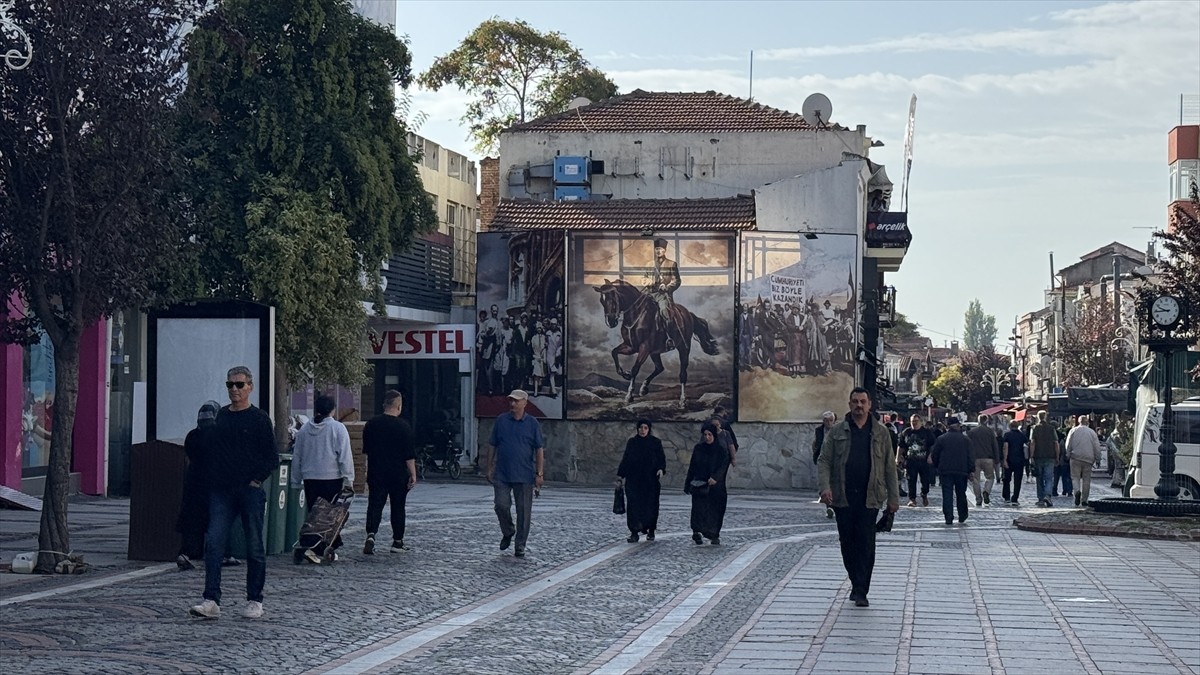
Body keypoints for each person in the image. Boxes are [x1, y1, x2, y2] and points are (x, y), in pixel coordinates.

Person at [190, 366, 277, 620]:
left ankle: (254, 599)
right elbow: (208, 450)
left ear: (250, 386)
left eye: (239, 385)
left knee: (254, 545)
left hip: (249, 489)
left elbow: (271, 457)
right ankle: (211, 598)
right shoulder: (221, 417)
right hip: (221, 490)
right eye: (230, 385)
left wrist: (256, 479)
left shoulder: (259, 419)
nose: (234, 390)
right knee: (214, 542)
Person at [817, 387, 900, 608]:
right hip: (843, 495)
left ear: (870, 404)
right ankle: (855, 580)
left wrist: (894, 498)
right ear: (849, 404)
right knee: (847, 542)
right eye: (855, 402)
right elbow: (824, 460)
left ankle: (861, 589)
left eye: (863, 401)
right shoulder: (837, 431)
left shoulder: (881, 433)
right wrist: (825, 487)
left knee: (866, 543)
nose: (859, 406)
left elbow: (889, 467)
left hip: (870, 496)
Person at [487, 389, 545, 558]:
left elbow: (539, 449)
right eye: (511, 400)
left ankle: (520, 544)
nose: (513, 404)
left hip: (524, 474)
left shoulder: (532, 423)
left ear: (525, 403)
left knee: (524, 511)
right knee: (501, 505)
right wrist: (489, 467)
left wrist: (539, 473)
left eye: (517, 401)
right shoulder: (501, 420)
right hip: (502, 473)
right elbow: (492, 445)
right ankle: (508, 530)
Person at [361, 389, 418, 554]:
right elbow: (409, 455)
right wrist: (413, 474)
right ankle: (397, 541)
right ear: (398, 406)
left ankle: (371, 533)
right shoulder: (404, 427)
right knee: (398, 506)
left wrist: (365, 471)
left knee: (375, 504)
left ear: (383, 405)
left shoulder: (371, 424)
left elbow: (366, 451)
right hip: (398, 474)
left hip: (376, 471)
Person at [176, 400, 221, 571]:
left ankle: (186, 554)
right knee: (213, 520)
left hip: (193, 482)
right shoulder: (217, 435)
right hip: (211, 482)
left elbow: (190, 455)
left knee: (191, 521)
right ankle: (217, 553)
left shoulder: (192, 435)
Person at [616, 419, 667, 542]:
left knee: (650, 506)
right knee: (633, 505)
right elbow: (626, 459)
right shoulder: (632, 442)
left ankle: (651, 529)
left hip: (650, 481)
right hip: (634, 480)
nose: (642, 430)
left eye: (645, 428)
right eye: (640, 427)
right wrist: (620, 476)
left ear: (649, 429)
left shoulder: (655, 443)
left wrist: (661, 469)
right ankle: (634, 531)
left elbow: (661, 459)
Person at [686, 423, 731, 546]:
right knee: (698, 510)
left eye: (709, 434)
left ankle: (713, 534)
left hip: (716, 487)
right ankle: (697, 531)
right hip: (700, 485)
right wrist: (688, 483)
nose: (707, 437)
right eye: (705, 435)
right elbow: (693, 466)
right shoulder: (699, 449)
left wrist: (715, 477)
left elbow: (723, 466)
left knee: (715, 510)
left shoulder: (721, 450)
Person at [931, 417, 973, 525]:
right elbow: (970, 456)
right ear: (958, 426)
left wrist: (937, 466)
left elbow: (935, 455)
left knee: (947, 494)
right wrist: (971, 470)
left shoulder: (941, 439)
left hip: (946, 470)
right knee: (961, 493)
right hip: (961, 470)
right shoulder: (966, 440)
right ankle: (962, 515)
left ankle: (948, 516)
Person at [648, 237, 683, 348]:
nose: (658, 251)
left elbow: (676, 281)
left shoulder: (671, 264)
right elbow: (644, 277)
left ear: (664, 250)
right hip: (650, 294)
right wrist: (646, 281)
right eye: (656, 249)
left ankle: (669, 338)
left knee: (664, 310)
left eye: (660, 249)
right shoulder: (650, 264)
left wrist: (667, 286)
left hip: (664, 295)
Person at [898, 414, 936, 507]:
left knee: (925, 480)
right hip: (911, 461)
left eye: (916, 421)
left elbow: (933, 445)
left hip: (924, 461)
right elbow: (901, 446)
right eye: (912, 421)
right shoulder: (906, 432)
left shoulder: (927, 432)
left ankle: (924, 494)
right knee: (911, 480)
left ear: (920, 422)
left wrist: (930, 456)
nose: (914, 423)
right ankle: (912, 499)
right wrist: (898, 457)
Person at [1065, 414, 1103, 506]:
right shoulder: (1092, 432)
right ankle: (1084, 499)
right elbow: (1096, 446)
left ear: (1078, 421)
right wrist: (1098, 458)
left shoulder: (1073, 431)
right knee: (1086, 479)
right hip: (1088, 458)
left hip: (1075, 457)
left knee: (1075, 477)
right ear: (1087, 422)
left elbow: (1068, 444)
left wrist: (1068, 454)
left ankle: (1077, 491)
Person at [967, 414, 1002, 506]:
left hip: (975, 458)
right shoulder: (990, 432)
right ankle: (986, 491)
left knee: (975, 480)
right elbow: (995, 446)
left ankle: (978, 498)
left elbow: (968, 446)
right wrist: (997, 459)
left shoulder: (972, 432)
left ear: (979, 420)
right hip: (988, 458)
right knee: (990, 478)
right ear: (986, 421)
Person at [1029, 411, 1060, 507]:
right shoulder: (1051, 429)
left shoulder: (1034, 428)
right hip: (1050, 456)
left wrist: (1031, 456)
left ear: (1038, 417)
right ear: (1046, 417)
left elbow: (1033, 443)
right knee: (1049, 478)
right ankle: (1048, 495)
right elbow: (1056, 443)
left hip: (1038, 456)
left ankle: (1041, 498)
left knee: (1039, 478)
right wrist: (1057, 456)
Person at [813, 411, 837, 518]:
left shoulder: (837, 430)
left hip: (835, 460)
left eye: (830, 420)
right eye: (826, 420)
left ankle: (833, 505)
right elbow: (815, 443)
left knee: (834, 484)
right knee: (824, 484)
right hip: (823, 460)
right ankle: (829, 506)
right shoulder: (819, 430)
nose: (828, 423)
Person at [1001, 420, 1029, 505]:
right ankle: (1015, 498)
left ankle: (1006, 497)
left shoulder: (1007, 435)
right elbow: (1027, 445)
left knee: (1007, 479)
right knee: (1018, 480)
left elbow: (1006, 447)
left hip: (1009, 459)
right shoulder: (1022, 435)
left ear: (1010, 426)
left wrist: (1005, 459)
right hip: (1020, 460)